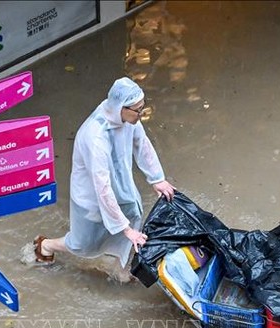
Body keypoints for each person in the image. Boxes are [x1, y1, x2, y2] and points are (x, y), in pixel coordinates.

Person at [33, 77, 175, 281]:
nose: (141, 113)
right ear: (121, 107)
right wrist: (124, 229)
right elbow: (102, 187)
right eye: (137, 109)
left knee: (133, 219)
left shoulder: (129, 119)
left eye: (142, 108)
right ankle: (45, 245)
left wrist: (156, 178)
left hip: (121, 187)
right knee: (83, 243)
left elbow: (141, 144)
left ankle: (120, 270)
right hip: (92, 197)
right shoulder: (95, 136)